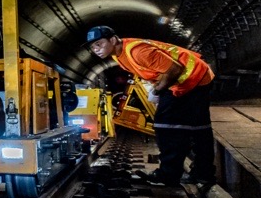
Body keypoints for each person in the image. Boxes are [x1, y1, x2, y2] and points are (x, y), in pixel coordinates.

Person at [86, 25, 215, 186]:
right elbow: (155, 71)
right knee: (198, 128)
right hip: (198, 77)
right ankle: (204, 174)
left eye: (99, 44)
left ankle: (168, 175)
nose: (96, 50)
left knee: (166, 125)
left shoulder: (137, 51)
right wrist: (155, 86)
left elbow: (175, 69)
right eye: (92, 47)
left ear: (112, 40)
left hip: (190, 79)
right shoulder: (119, 55)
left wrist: (158, 91)